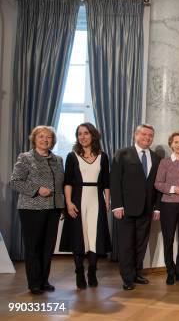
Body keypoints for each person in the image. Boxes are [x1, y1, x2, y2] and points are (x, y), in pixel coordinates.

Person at [9, 126, 65, 295]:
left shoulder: (58, 160)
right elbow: (15, 182)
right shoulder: (25, 158)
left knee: (48, 247)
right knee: (34, 247)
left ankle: (44, 280)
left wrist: (60, 205)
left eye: (48, 137)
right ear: (34, 139)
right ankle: (34, 283)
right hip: (31, 208)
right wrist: (37, 189)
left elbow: (60, 185)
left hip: (53, 209)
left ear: (52, 141)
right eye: (41, 136)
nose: (45, 140)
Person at [59, 123, 112, 289]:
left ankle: (92, 272)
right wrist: (68, 203)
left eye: (86, 133)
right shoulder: (72, 156)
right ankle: (79, 272)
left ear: (93, 135)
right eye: (79, 134)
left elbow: (106, 182)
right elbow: (67, 182)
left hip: (96, 200)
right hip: (77, 200)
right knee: (79, 238)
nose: (82, 136)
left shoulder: (103, 156)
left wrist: (107, 200)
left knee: (94, 238)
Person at [111, 124, 161, 291]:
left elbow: (156, 186)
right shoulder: (123, 153)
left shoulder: (156, 157)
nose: (147, 137)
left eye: (150, 135)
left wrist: (156, 207)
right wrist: (117, 205)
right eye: (144, 134)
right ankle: (127, 278)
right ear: (136, 135)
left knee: (141, 243)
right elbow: (115, 181)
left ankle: (136, 273)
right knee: (126, 244)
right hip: (125, 209)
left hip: (146, 209)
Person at [154, 131, 179, 285]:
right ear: (171, 144)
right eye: (176, 142)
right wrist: (173, 188)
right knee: (169, 239)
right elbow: (158, 183)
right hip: (168, 205)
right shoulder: (164, 162)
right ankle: (170, 272)